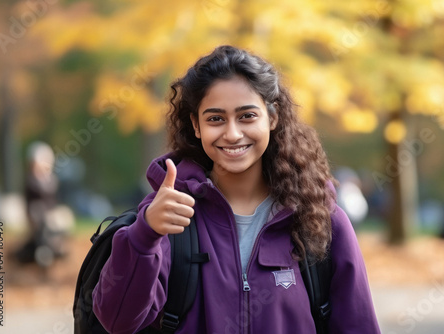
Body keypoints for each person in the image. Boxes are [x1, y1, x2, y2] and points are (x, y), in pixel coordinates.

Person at [93, 45, 380, 333]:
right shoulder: (166, 214)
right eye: (215, 119)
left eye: (247, 116)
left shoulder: (320, 218)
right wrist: (145, 235)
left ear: (273, 117)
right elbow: (118, 322)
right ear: (196, 125)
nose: (232, 134)